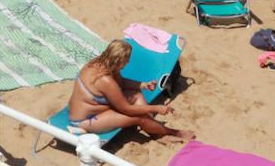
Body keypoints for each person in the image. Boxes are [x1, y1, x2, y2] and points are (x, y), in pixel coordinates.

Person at [65, 40, 193, 140]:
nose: (128, 63)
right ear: (118, 61)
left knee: (136, 94)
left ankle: (154, 129)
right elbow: (127, 109)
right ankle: (173, 132)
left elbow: (121, 82)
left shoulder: (103, 62)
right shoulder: (105, 81)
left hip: (97, 108)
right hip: (86, 121)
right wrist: (156, 108)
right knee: (139, 118)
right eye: (126, 61)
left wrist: (143, 85)